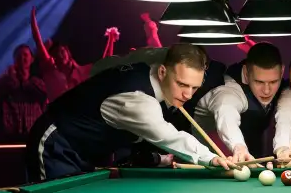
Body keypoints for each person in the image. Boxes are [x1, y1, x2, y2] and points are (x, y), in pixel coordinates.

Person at [25, 43, 236, 182]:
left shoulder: (152, 71)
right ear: (163, 71)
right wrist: (212, 158)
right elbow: (169, 136)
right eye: (182, 84)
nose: (188, 94)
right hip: (57, 140)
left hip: (84, 148)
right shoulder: (139, 100)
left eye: (194, 87)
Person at [195, 42, 287, 163]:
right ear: (246, 73)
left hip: (247, 153)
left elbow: (288, 112)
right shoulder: (229, 91)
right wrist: (239, 147)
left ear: (282, 72)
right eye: (259, 82)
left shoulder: (285, 88)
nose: (266, 90)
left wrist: (284, 147)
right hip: (208, 157)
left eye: (273, 82)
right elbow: (227, 113)